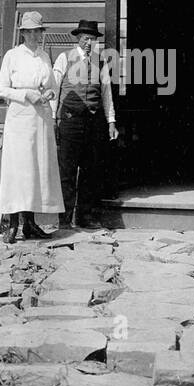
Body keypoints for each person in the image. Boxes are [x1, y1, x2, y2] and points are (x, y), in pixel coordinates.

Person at [0, 11, 64, 242]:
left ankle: (30, 224)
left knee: (36, 169)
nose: (34, 35)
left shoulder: (44, 57)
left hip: (40, 119)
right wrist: (27, 95)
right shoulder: (12, 56)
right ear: (23, 33)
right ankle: (13, 224)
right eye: (30, 32)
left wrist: (50, 93)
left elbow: (53, 86)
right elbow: (1, 89)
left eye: (38, 31)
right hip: (20, 117)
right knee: (18, 170)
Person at [52, 19, 118, 230]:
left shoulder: (100, 62)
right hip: (70, 121)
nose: (89, 43)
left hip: (93, 122)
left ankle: (85, 216)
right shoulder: (64, 59)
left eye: (92, 39)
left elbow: (107, 94)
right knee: (67, 172)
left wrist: (111, 122)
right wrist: (53, 119)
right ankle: (64, 219)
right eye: (85, 38)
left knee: (90, 171)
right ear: (78, 38)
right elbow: (54, 90)